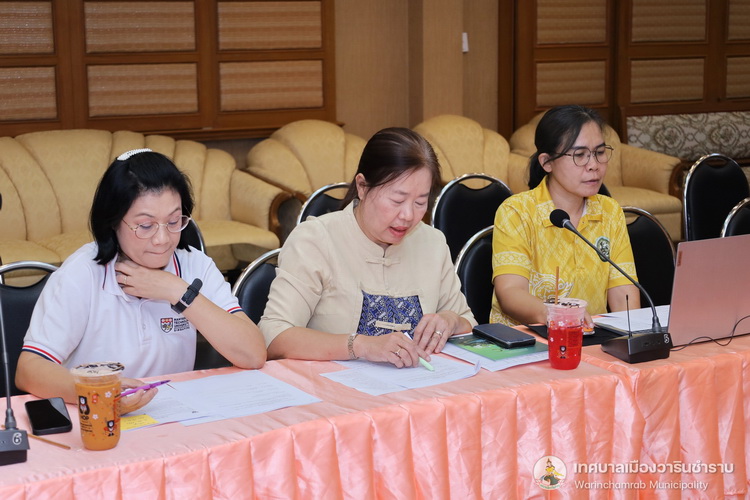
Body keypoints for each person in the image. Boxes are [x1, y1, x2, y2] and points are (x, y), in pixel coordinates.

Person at [16, 149, 266, 413]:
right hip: (98, 418)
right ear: (113, 221)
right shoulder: (83, 273)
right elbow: (29, 370)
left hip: (173, 415)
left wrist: (175, 289)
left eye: (173, 221)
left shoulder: (194, 265)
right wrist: (100, 394)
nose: (162, 239)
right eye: (146, 226)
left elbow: (252, 354)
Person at [259, 128, 476, 367]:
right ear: (362, 186)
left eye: (419, 202)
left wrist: (450, 321)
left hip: (421, 386)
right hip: (332, 386)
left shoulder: (432, 242)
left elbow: (468, 323)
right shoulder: (315, 240)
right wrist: (360, 346)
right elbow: (273, 336)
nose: (407, 215)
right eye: (397, 200)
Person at [491, 105, 640, 326]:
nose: (594, 166)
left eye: (599, 153)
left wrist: (634, 332)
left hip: (590, 339)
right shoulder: (517, 212)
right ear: (547, 162)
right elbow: (511, 293)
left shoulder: (610, 212)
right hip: (526, 339)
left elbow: (624, 295)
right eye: (580, 155)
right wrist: (558, 316)